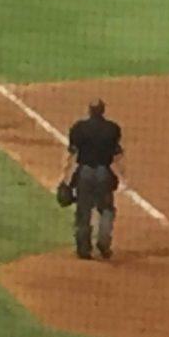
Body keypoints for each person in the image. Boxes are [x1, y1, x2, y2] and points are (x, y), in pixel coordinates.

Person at [59, 99, 124, 260]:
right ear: (103, 111)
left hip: (84, 173)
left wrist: (65, 178)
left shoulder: (79, 128)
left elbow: (71, 155)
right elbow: (118, 155)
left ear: (89, 111)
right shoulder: (112, 128)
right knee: (106, 209)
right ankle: (103, 241)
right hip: (104, 173)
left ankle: (83, 248)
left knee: (83, 210)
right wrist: (122, 176)